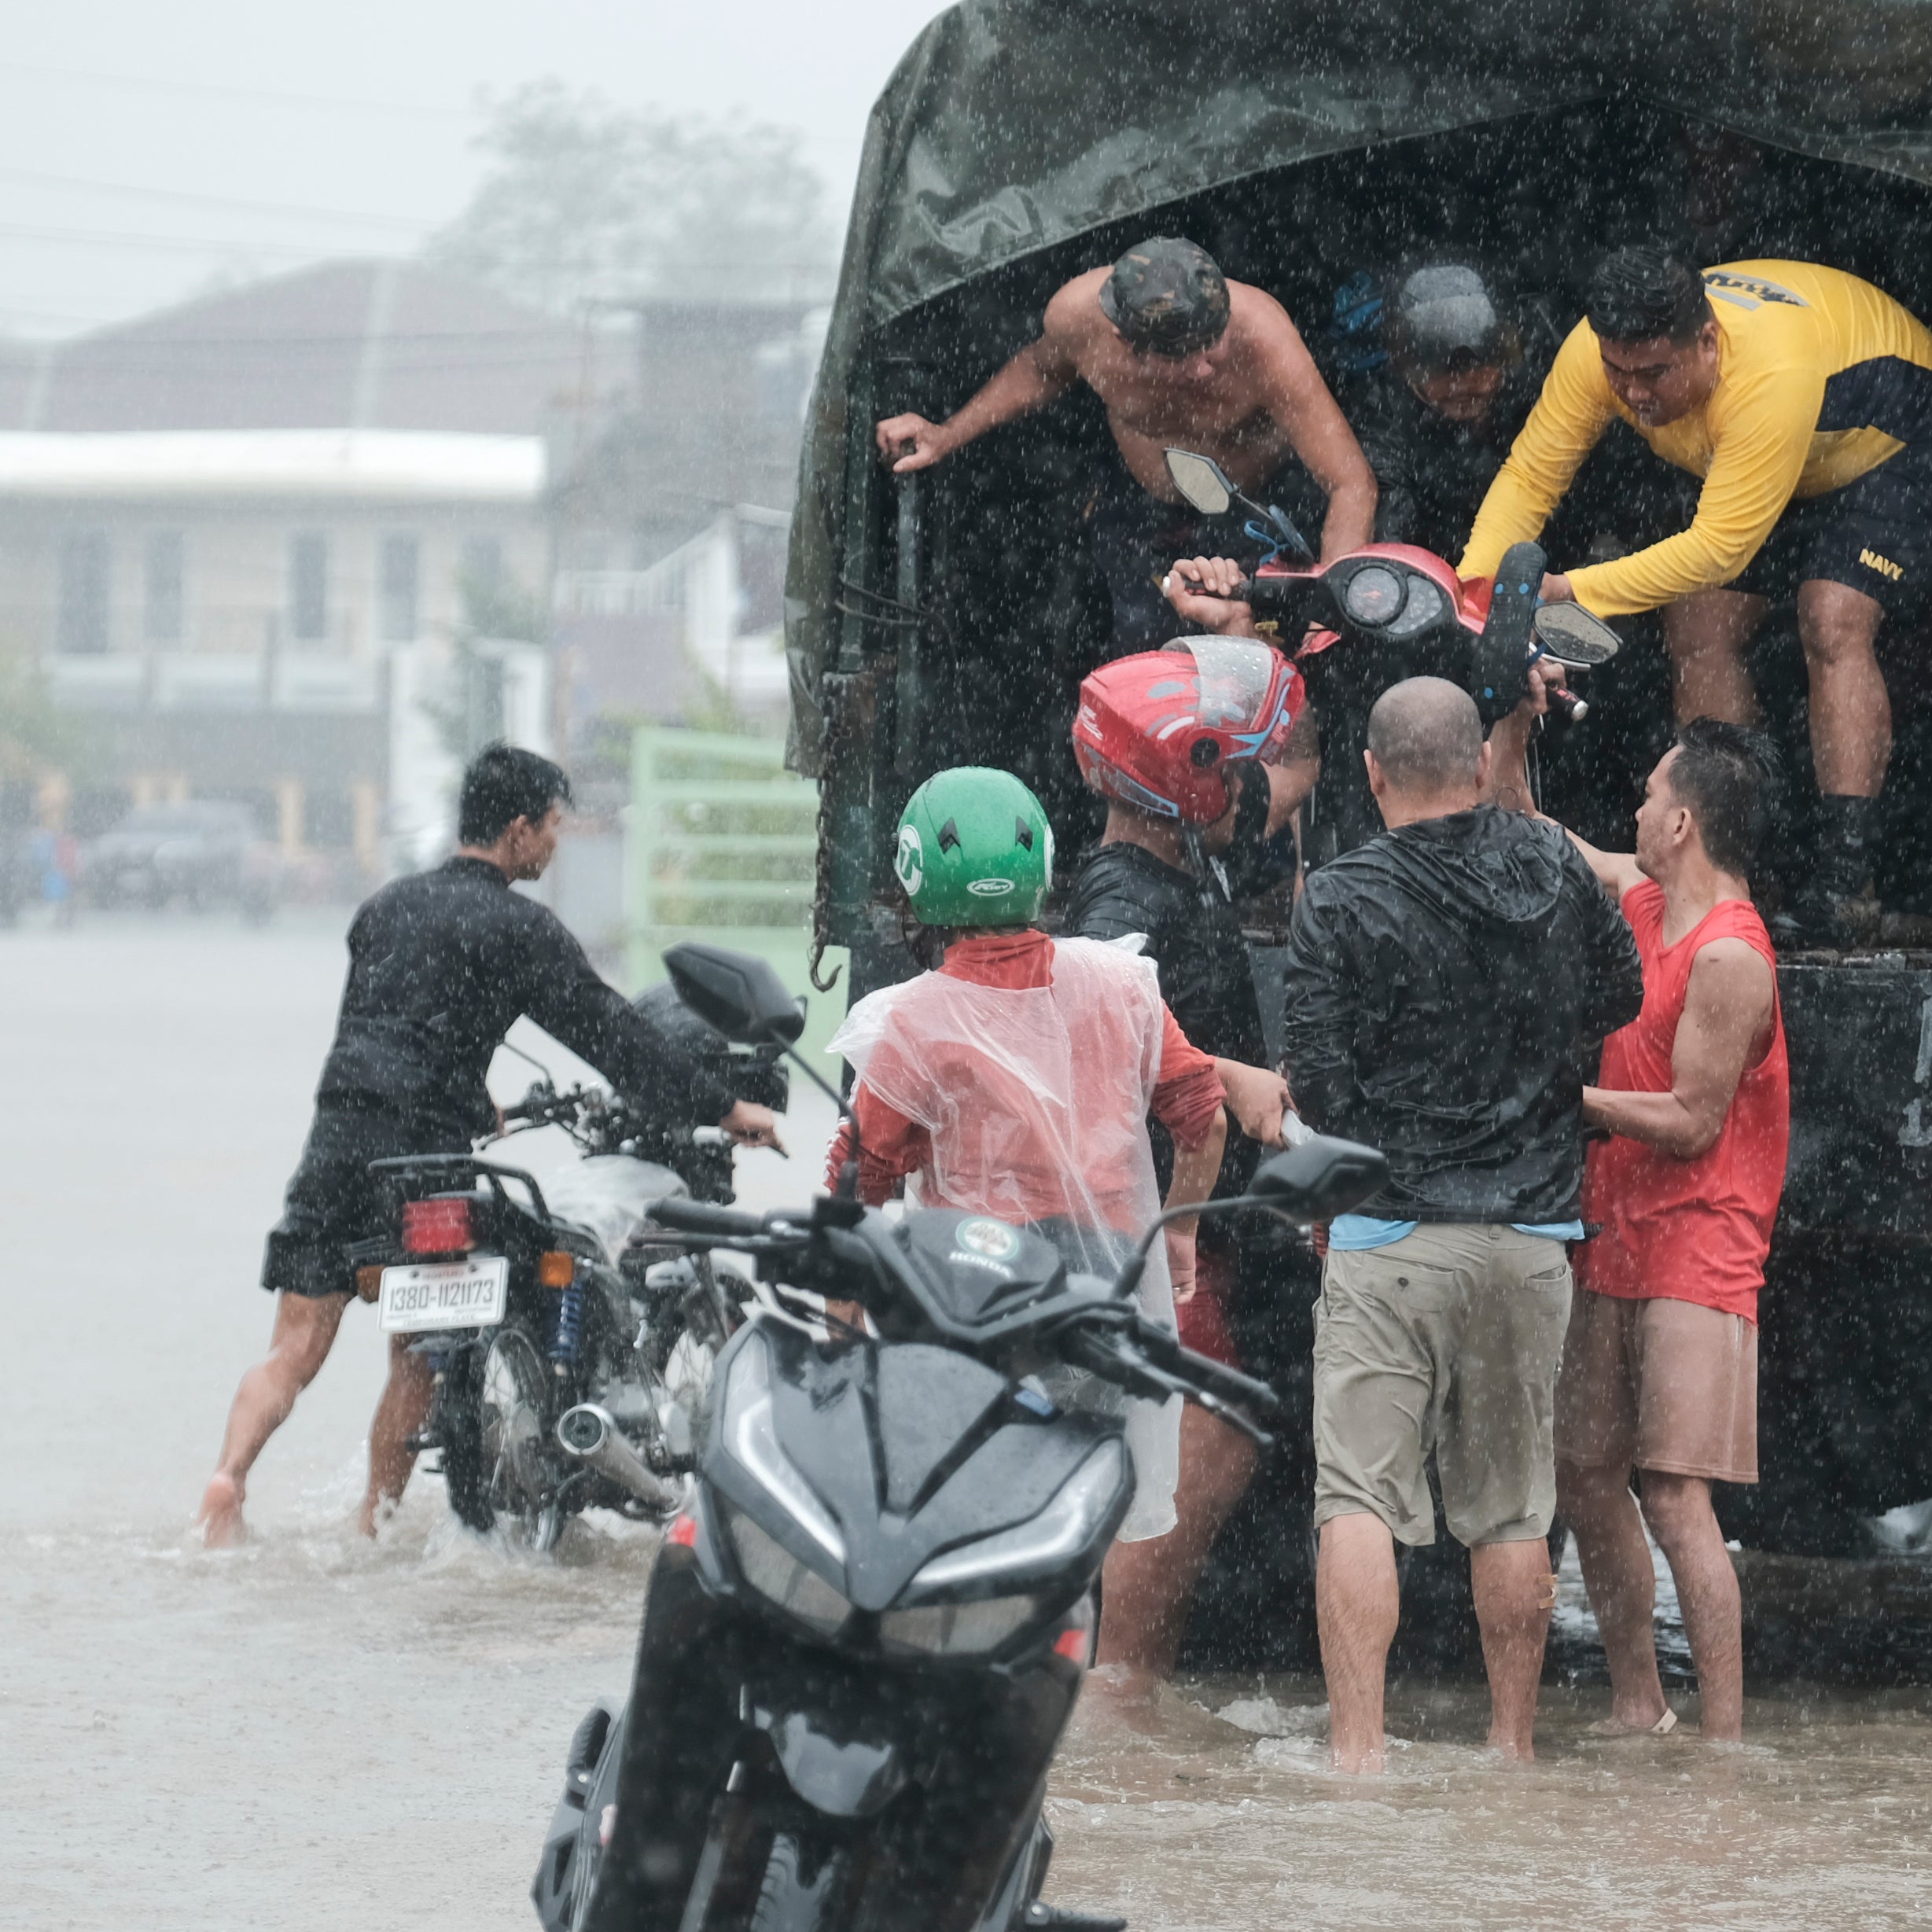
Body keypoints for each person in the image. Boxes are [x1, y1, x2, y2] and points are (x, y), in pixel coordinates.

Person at [197, 745, 781, 1548]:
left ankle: (227, 1480)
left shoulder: (384, 907)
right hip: (429, 1164)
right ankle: (376, 1522)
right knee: (418, 1353)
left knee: (293, 1349)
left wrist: (482, 1104)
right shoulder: (521, 928)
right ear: (517, 829)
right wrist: (723, 1106)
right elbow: (612, 1035)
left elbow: (393, 1031)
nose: (553, 845)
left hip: (338, 1144)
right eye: (551, 829)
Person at [1284, 676, 1643, 1771]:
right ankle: (1512, 1749)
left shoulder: (1337, 898)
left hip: (1390, 1234)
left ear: (1373, 773)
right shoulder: (1550, 865)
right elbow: (1619, 998)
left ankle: (1358, 1757)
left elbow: (1321, 1091)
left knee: (1357, 1494)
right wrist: (1524, 1058)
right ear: (1484, 765)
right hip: (1531, 1239)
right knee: (1511, 1506)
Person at [826, 766, 1279, 1627]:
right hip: (1102, 1289)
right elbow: (1203, 1118)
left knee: (978, 1518)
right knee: (1080, 1497)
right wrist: (1175, 1234)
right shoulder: (1118, 984)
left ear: (918, 872)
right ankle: (1074, 1685)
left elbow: (856, 1191)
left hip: (975, 1297)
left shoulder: (911, 1023)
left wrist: (839, 1335)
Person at [1459, 247, 1932, 942]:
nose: (1635, 395)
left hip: (1895, 434)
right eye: (1620, 374)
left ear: (1707, 341)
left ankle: (1848, 884)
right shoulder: (1594, 351)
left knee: (1831, 616)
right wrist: (1475, 595)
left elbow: (1719, 548)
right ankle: (1731, 870)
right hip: (1774, 448)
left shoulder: (1769, 374)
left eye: (1656, 374)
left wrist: (1567, 590)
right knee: (1698, 626)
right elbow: (1530, 479)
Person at [1488, 697, 1787, 1741]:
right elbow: (1527, 829)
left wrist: (1558, 1097)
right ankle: (1636, 1702)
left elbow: (1693, 1121)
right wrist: (1516, 716)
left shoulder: (1731, 955)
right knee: (1583, 1473)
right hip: (1615, 1233)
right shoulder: (1648, 902)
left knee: (1673, 1492)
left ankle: (1725, 1738)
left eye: (1652, 791)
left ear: (1684, 824)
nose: (1637, 801)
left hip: (1701, 1245)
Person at [1050, 638, 1308, 1681]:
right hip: (1154, 1225)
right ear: (1186, 775)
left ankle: (1114, 1684)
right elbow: (1098, 1032)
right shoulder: (1122, 907)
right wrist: (1227, 1074)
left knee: (1200, 1436)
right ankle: (1121, 1691)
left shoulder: (1169, 863)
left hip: (1171, 1218)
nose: (1253, 779)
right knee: (1201, 1440)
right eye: (1232, 763)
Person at [873, 235, 1380, 655]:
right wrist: (947, 434)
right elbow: (1038, 371)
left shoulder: (1263, 338)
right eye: (1185, 354)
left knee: (1255, 668)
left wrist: (1329, 609)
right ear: (1125, 341)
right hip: (1145, 518)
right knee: (1148, 663)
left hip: (1253, 519)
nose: (1207, 364)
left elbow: (1350, 481)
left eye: (1214, 339)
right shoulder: (1079, 320)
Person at [1346, 262, 1561, 554]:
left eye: (1478, 366)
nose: (1460, 386)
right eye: (1437, 369)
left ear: (1506, 358)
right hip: (1433, 571)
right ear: (1404, 367)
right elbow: (1389, 511)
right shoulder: (1381, 409)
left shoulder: (1543, 389)